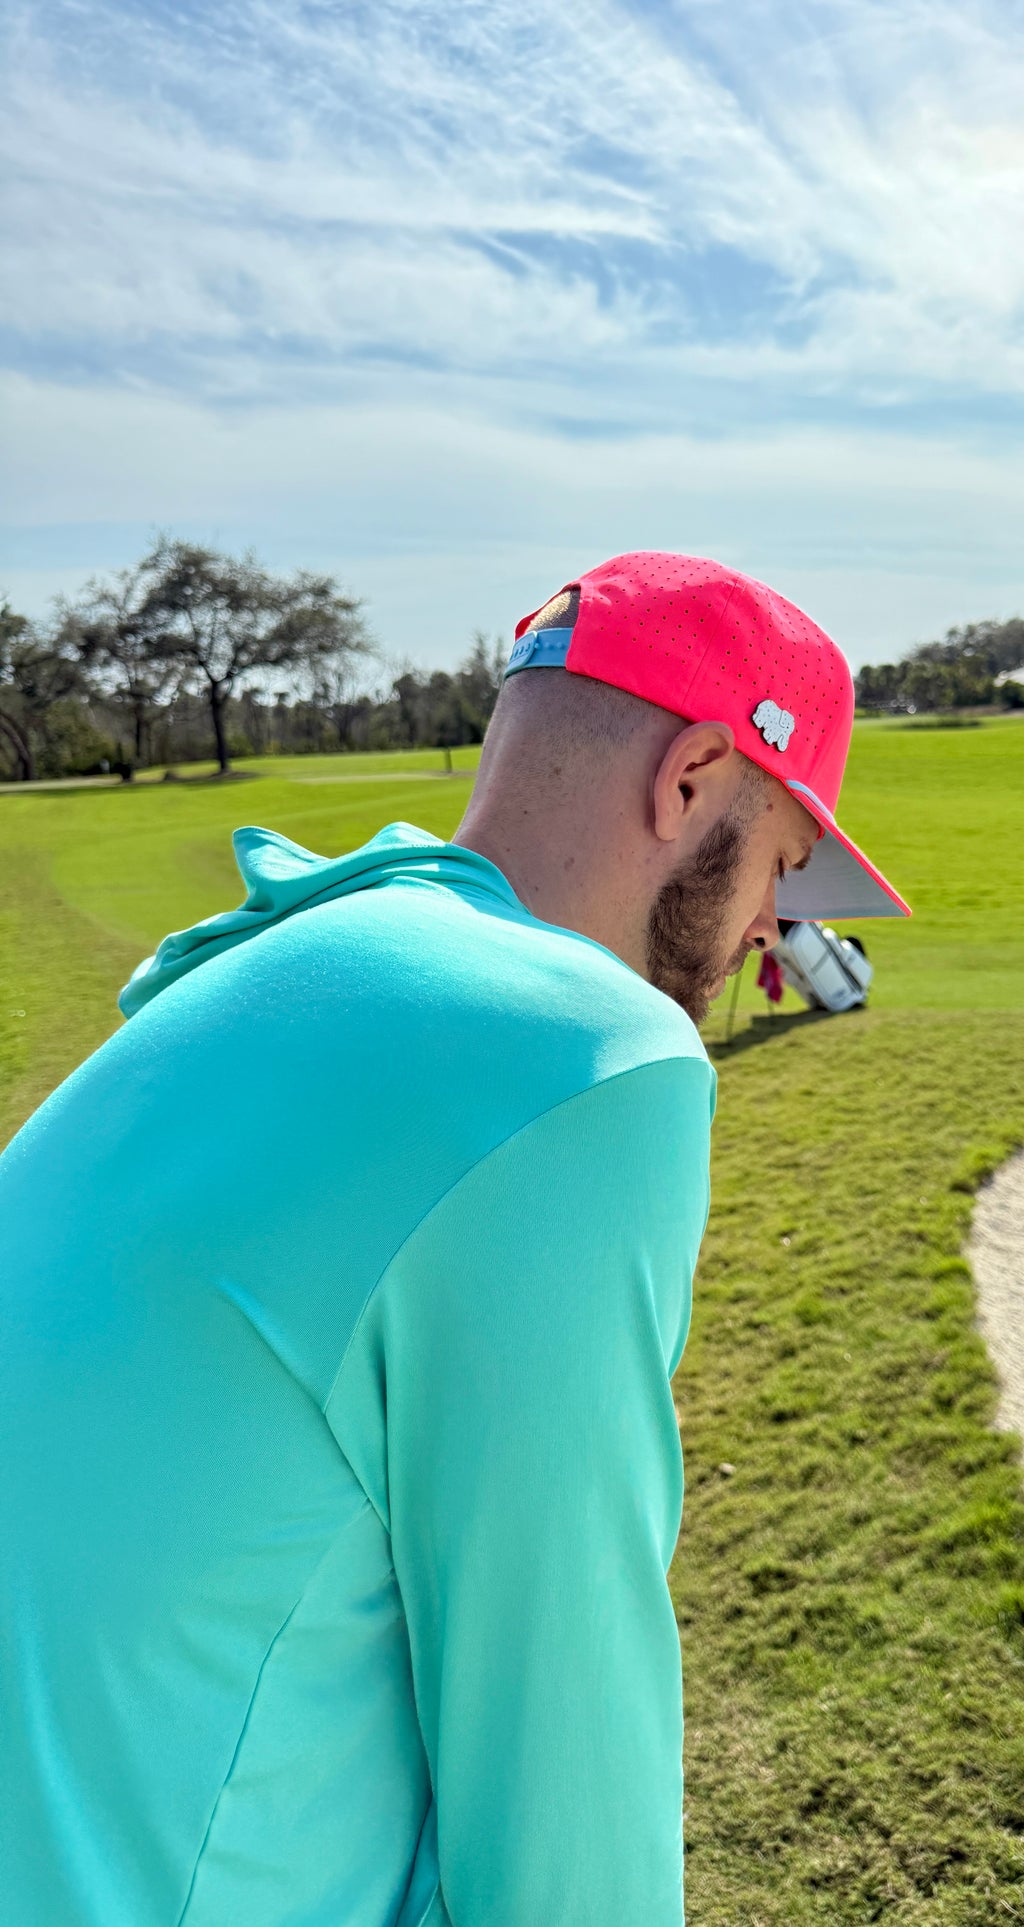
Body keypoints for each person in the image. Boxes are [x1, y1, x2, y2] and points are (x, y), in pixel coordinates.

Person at [0, 552, 908, 1926]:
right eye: (781, 865)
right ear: (691, 777)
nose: (768, 933)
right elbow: (559, 1720)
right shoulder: (579, 1052)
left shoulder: (271, 963)